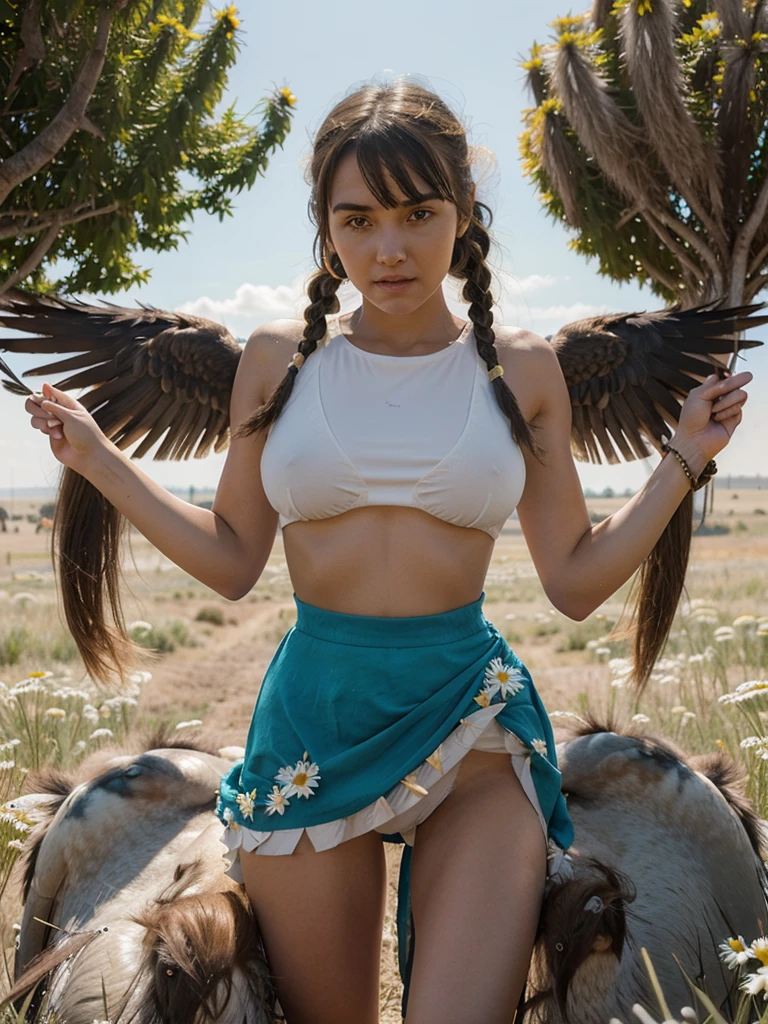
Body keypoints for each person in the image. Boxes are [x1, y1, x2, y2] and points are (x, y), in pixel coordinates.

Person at [24, 79, 751, 1024]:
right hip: (312, 731)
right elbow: (235, 557)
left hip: (472, 726)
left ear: (464, 215)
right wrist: (99, 459)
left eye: (418, 213)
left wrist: (682, 462)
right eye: (358, 219)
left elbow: (573, 579)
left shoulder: (522, 369)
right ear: (326, 227)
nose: (390, 247)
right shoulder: (278, 360)